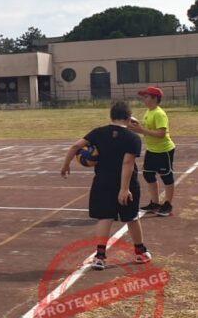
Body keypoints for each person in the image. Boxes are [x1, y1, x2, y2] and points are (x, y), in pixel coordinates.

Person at [60, 101, 151, 271]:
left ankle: (100, 257)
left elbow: (75, 146)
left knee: (105, 218)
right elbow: (127, 163)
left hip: (103, 182)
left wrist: (66, 165)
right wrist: (124, 188)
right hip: (127, 183)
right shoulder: (132, 138)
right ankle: (140, 252)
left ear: (111, 116)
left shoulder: (98, 132)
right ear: (129, 118)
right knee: (131, 217)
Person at [129, 86, 178, 217]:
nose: (144, 99)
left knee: (166, 177)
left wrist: (141, 130)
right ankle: (155, 203)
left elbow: (161, 134)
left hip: (163, 150)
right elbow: (149, 130)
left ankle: (168, 205)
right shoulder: (149, 112)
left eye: (146, 97)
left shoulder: (159, 113)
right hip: (152, 150)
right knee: (148, 175)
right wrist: (137, 126)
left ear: (155, 98)